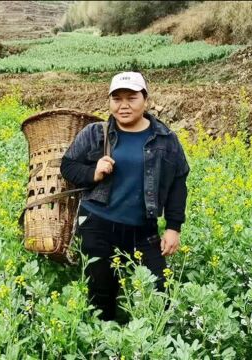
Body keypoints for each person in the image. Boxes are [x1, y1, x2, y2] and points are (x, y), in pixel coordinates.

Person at [60, 71, 190, 322]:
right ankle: (107, 341)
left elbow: (178, 183)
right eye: (116, 99)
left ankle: (148, 340)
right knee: (101, 294)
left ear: (146, 99)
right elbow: (68, 166)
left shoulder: (166, 140)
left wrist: (174, 228)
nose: (124, 105)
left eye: (131, 98)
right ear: (109, 101)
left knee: (160, 289)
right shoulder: (95, 133)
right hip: (97, 223)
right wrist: (93, 173)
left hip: (142, 229)